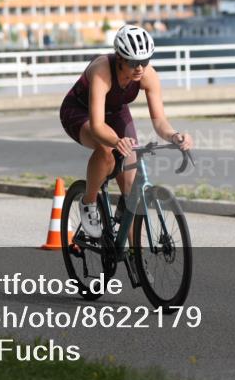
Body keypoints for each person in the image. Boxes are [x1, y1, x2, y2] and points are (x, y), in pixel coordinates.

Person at [60, 24, 193, 237]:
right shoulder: (102, 70)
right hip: (79, 111)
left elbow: (160, 122)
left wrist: (175, 136)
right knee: (105, 149)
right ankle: (89, 202)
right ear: (120, 58)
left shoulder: (148, 75)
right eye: (133, 62)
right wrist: (116, 141)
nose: (140, 67)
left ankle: (134, 259)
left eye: (144, 61)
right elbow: (97, 125)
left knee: (131, 193)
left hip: (116, 112)